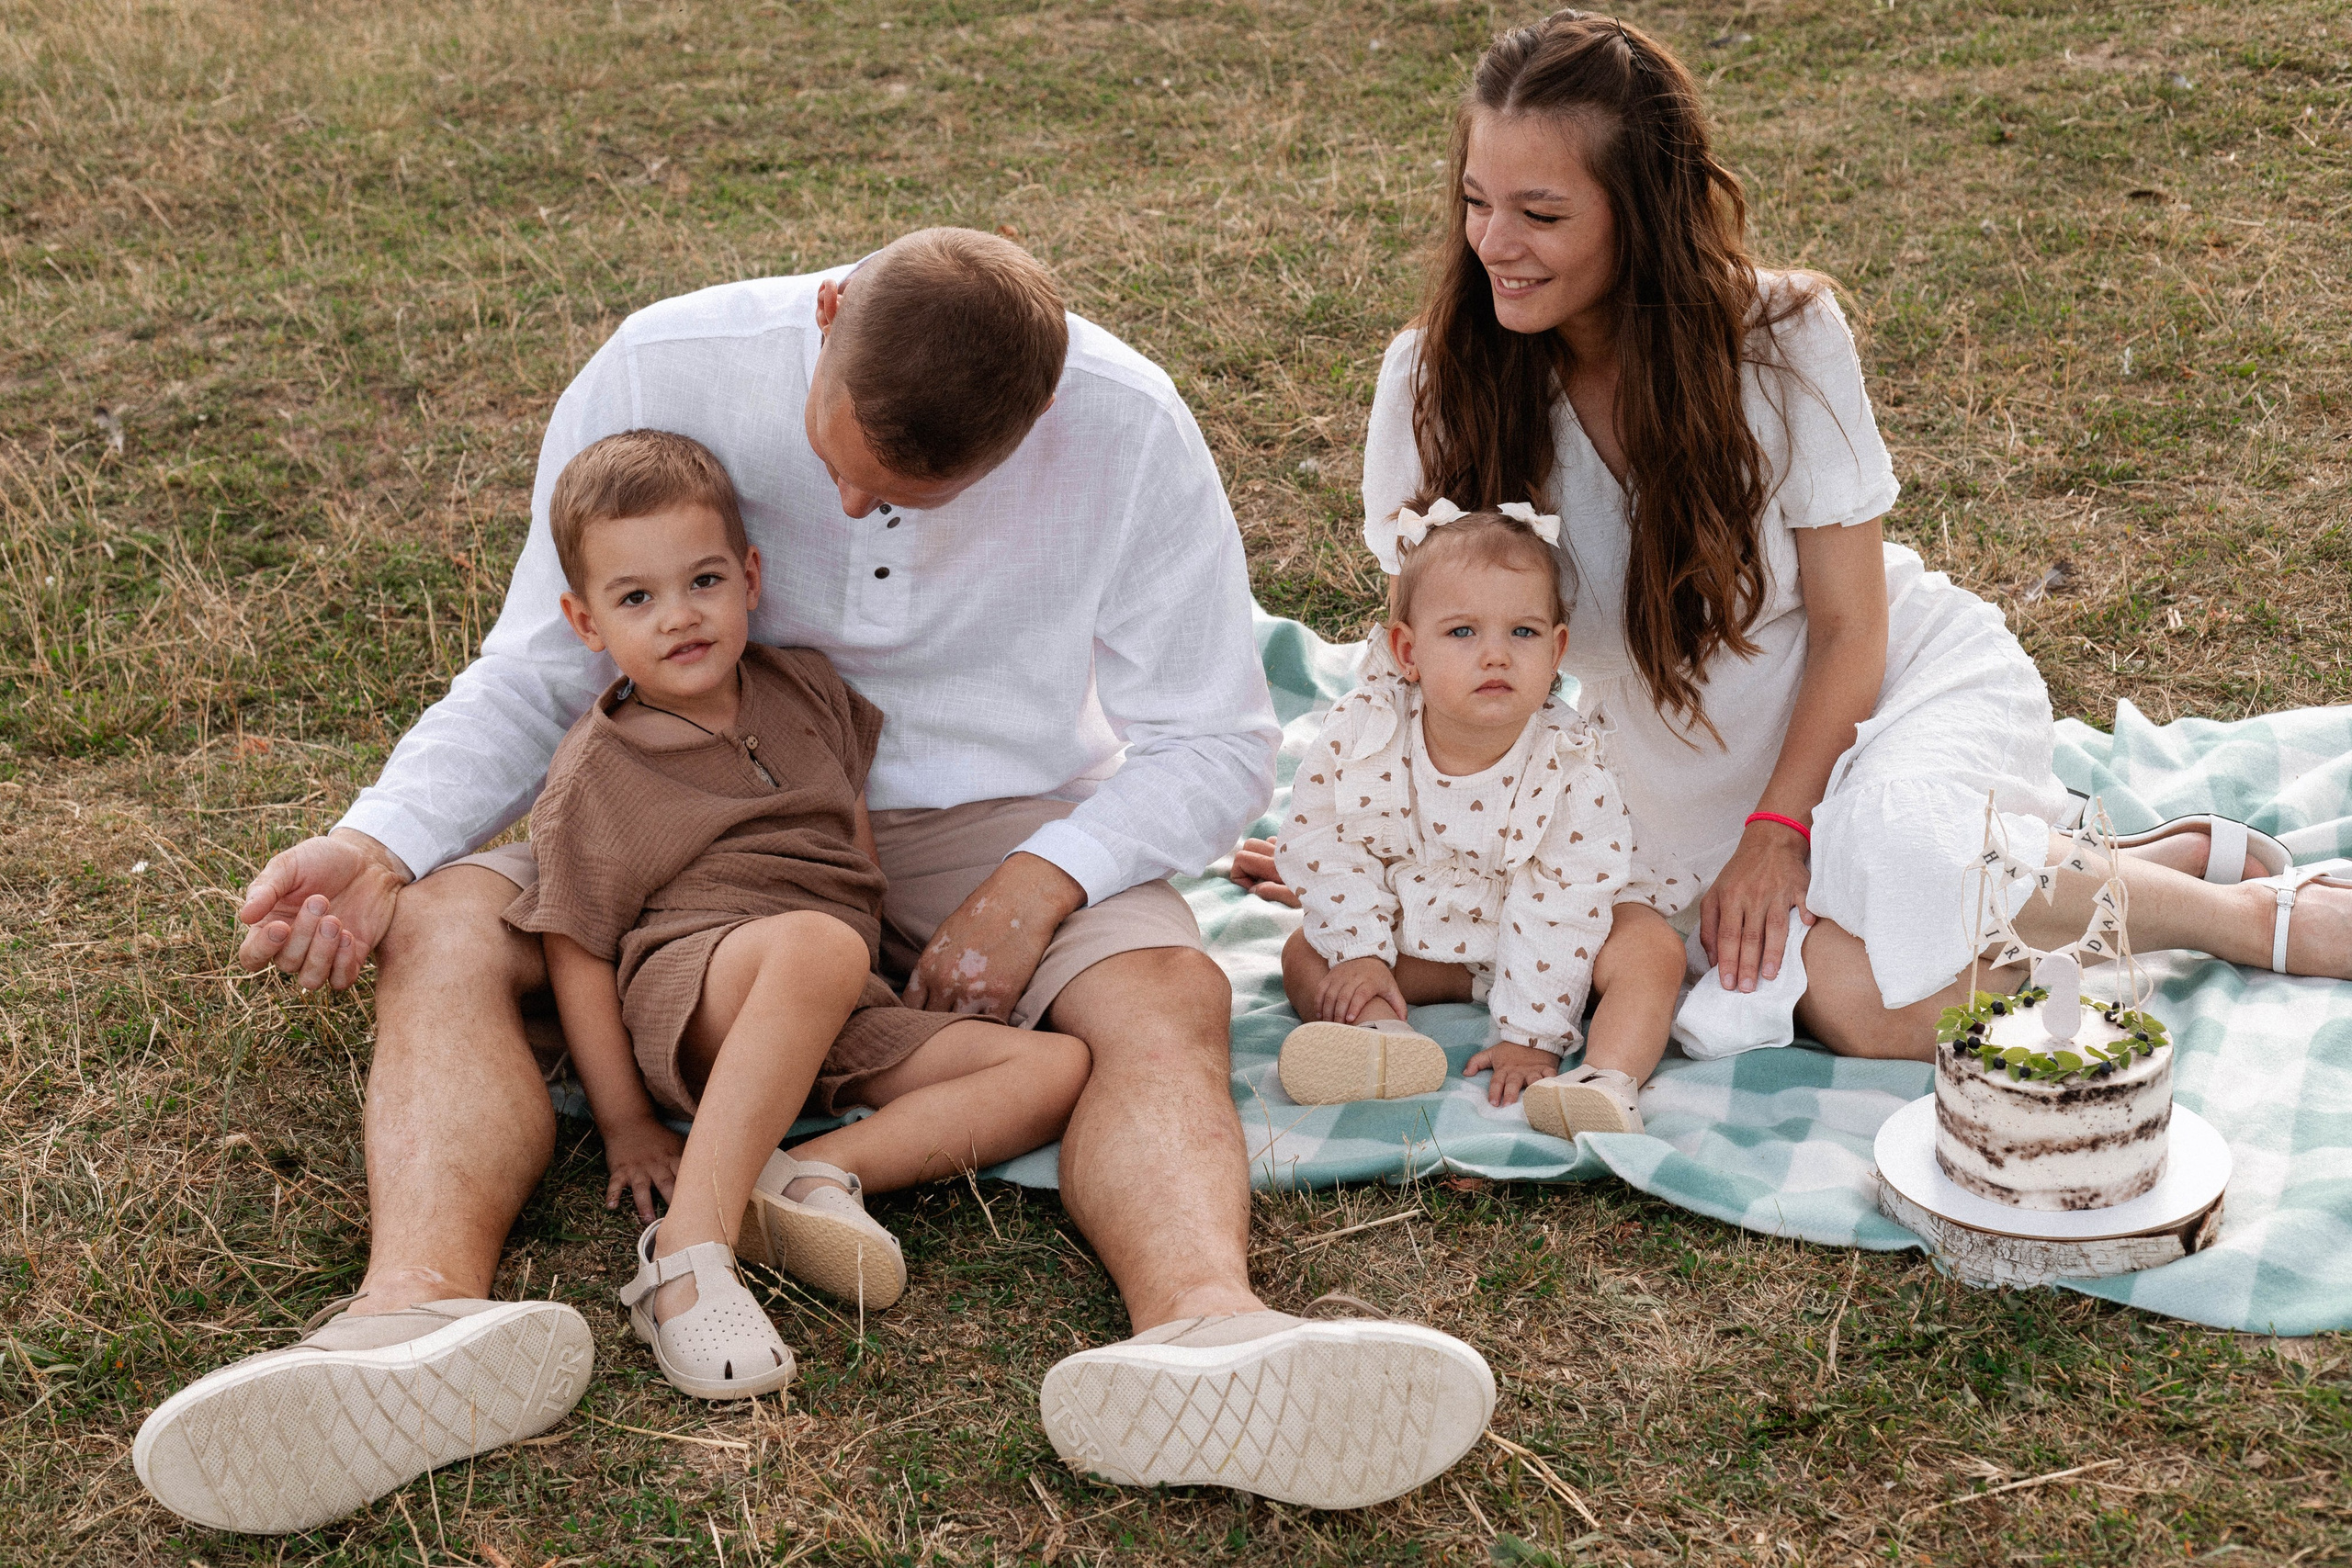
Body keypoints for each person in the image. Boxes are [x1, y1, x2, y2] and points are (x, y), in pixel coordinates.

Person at [134, 228, 1493, 1538]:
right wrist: (381, 841)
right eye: (838, 467)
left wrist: (1043, 877)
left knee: (1168, 988)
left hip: (1001, 811)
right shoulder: (663, 365)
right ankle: (408, 1318)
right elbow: (539, 666)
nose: (854, 512)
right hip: (696, 808)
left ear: (1038, 421)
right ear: (830, 312)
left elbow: (1215, 737)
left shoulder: (1125, 421)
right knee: (440, 919)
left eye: (910, 498)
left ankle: (1209, 1331)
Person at [1233, 12, 2349, 1062]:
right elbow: (1435, 642)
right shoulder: (1433, 383)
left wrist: (1782, 827)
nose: (1493, 244)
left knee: (1899, 854)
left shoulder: (1783, 338)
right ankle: (2087, 873)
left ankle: (2234, 917)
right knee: (1867, 1010)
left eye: (1541, 213)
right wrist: (1377, 833)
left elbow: (1850, 622)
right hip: (1672, 776)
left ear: (1644, 209)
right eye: (1476, 202)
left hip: (1875, 687)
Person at [517, 428, 1092, 1397]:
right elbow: (576, 950)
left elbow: (850, 849)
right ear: (586, 622)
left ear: (749, 575)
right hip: (698, 982)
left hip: (831, 990)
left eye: (703, 581)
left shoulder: (805, 691)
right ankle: (682, 1260)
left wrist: (886, 972)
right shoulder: (598, 770)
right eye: (636, 599)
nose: (679, 617)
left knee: (1054, 1064)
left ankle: (800, 1179)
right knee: (818, 947)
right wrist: (624, 1124)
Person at [1272, 501, 1688, 1137]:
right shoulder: (1366, 732)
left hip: (1562, 934)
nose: (1495, 655)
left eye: (1522, 633)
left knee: (1652, 948)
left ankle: (1607, 1078)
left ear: (1557, 652)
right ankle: (1377, 1033)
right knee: (1306, 951)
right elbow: (1329, 841)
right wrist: (1360, 951)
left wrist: (1532, 1034)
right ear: (1406, 649)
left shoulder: (1568, 765)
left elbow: (1568, 897)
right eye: (1463, 632)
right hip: (1431, 933)